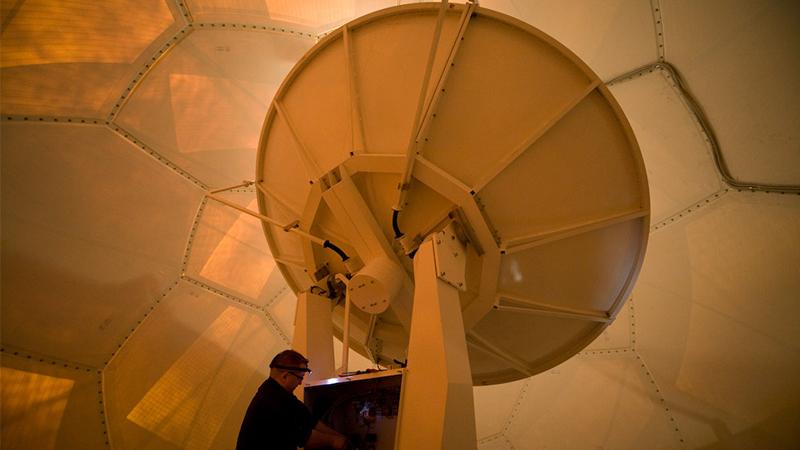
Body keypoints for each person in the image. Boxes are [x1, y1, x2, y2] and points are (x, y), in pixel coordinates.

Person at [236, 349, 348, 450]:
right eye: (300, 378)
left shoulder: (279, 393)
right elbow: (305, 438)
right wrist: (333, 440)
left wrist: (339, 437)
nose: (300, 383)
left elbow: (309, 420)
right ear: (285, 376)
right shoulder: (273, 401)